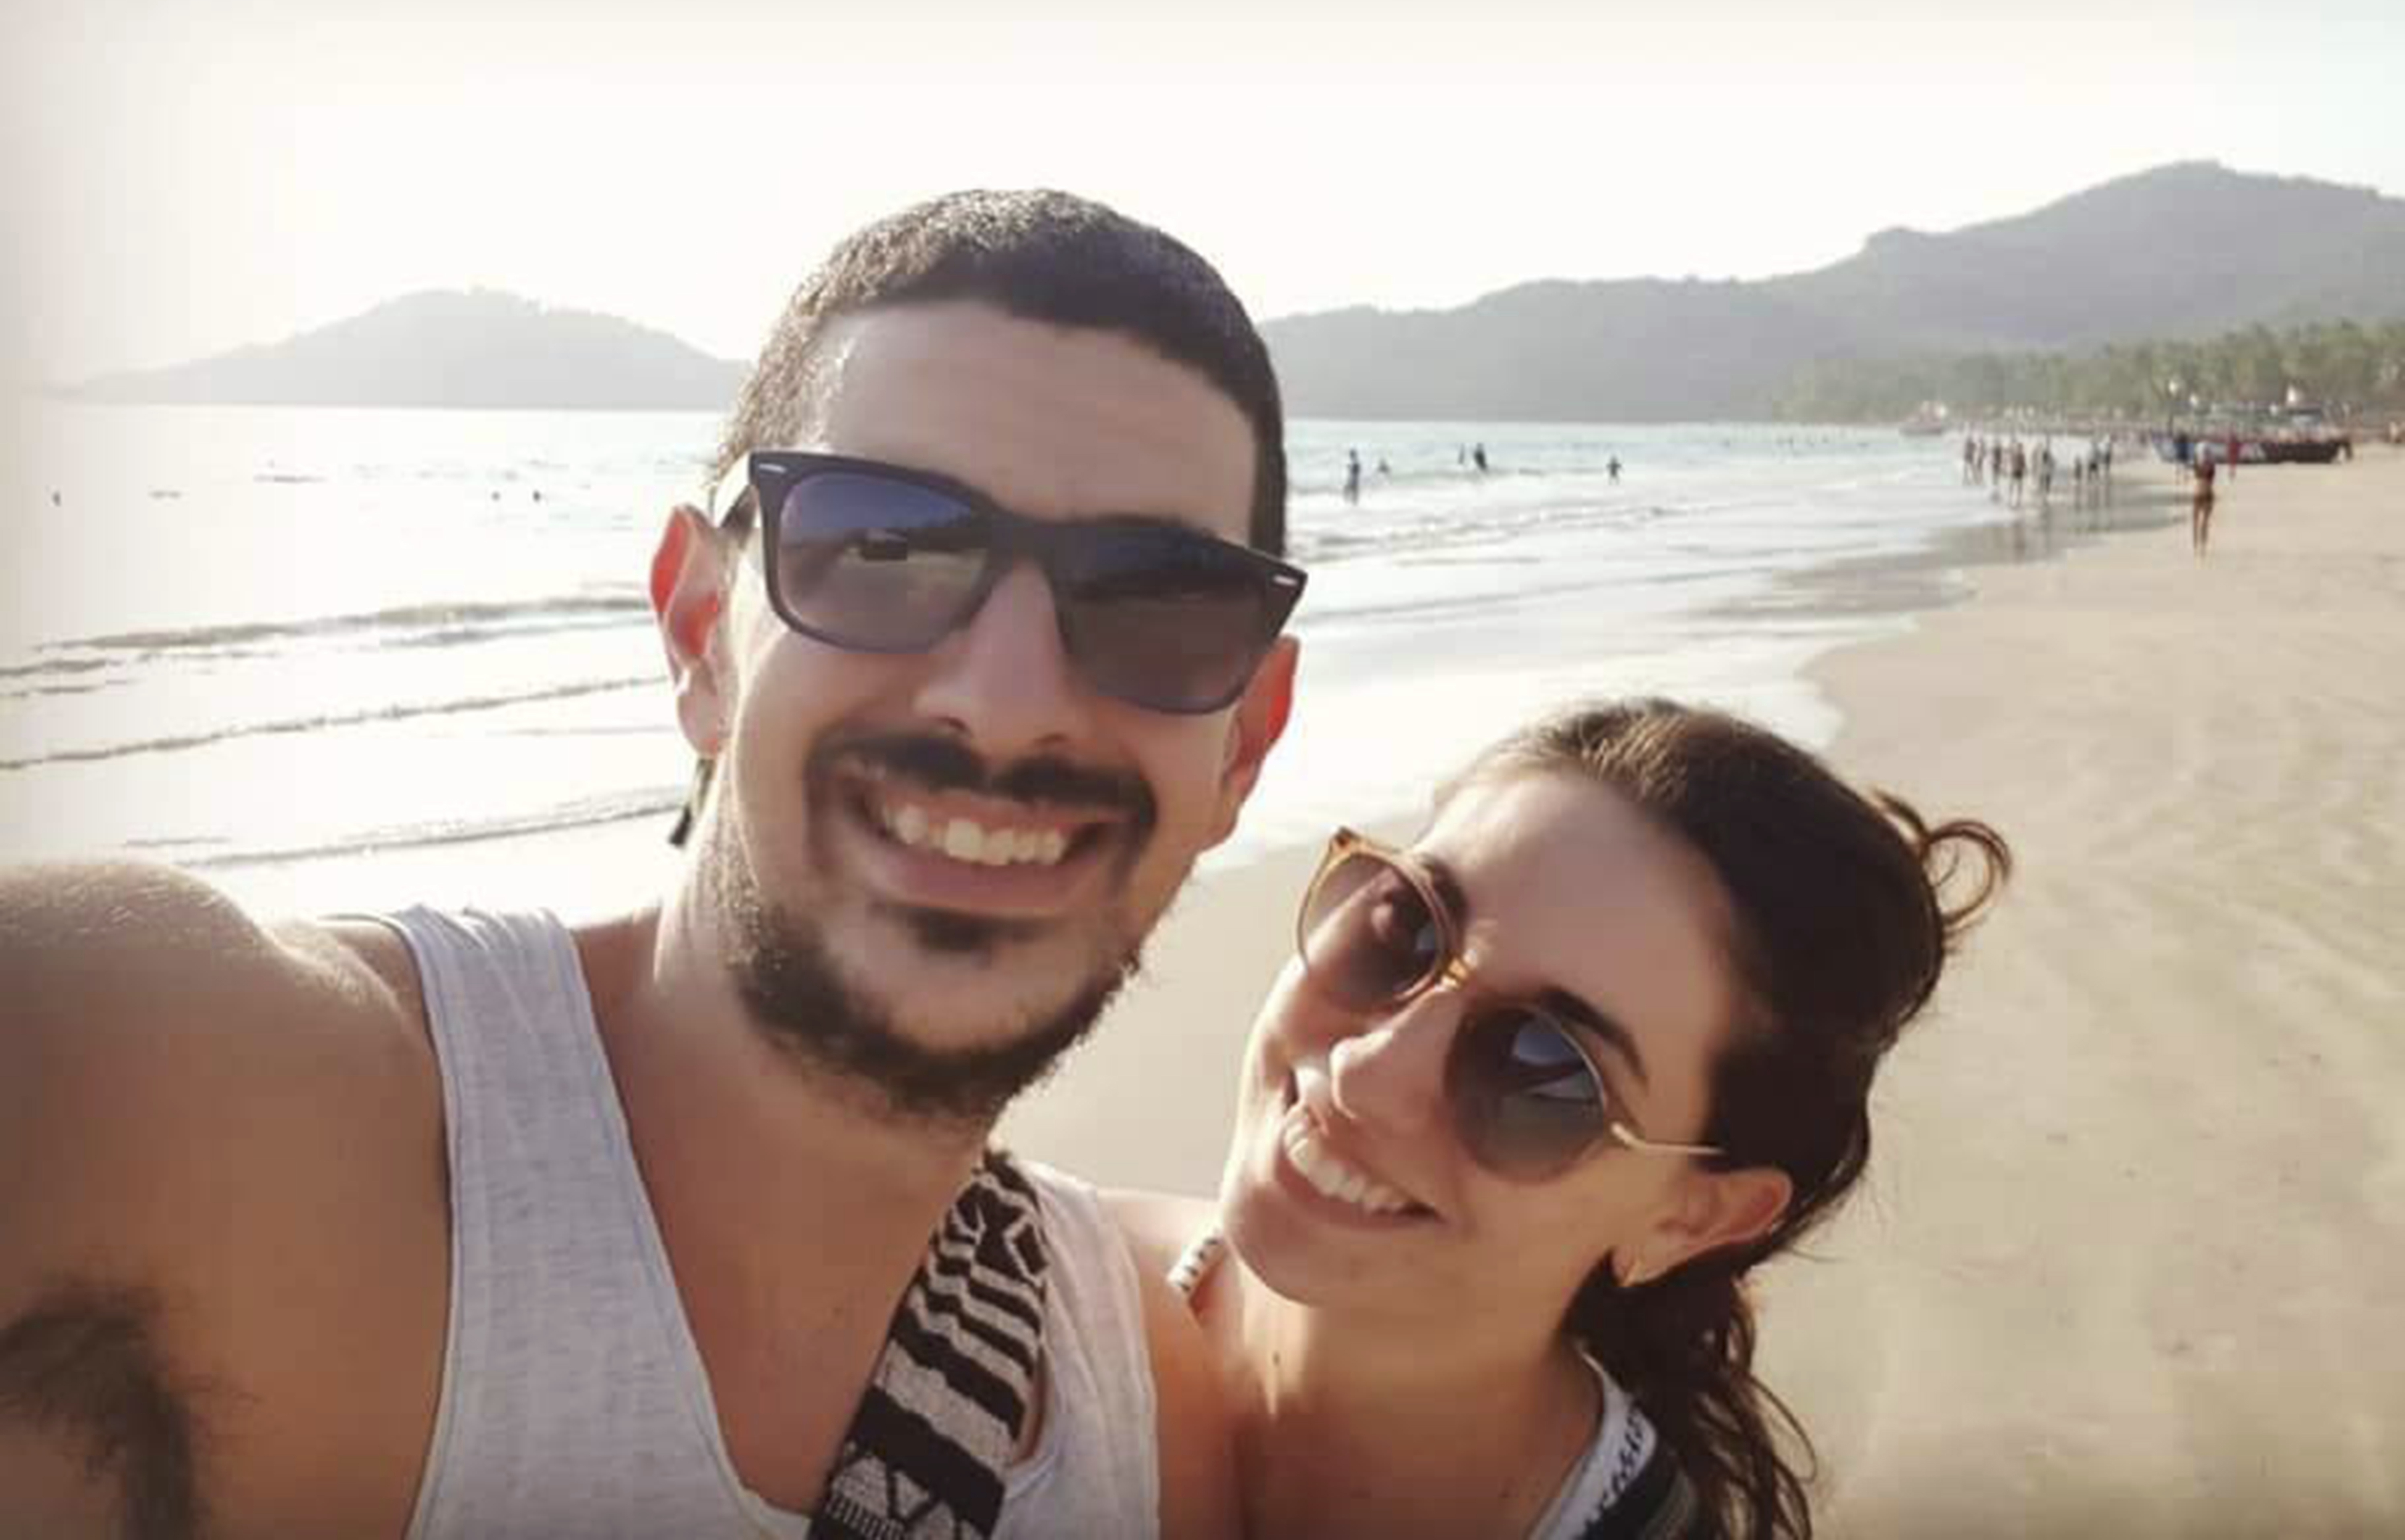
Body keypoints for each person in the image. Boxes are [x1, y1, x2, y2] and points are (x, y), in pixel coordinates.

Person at [0, 190, 1306, 1539]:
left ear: (1246, 749)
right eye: (886, 545)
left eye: (1158, 602)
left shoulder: (1145, 1417)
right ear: (699, 633)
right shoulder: (212, 1113)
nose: (1010, 699)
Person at [1115, 697, 2009, 1539]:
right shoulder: (1024, 1273)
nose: (1368, 1071)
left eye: (1539, 1070)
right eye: (1403, 929)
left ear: (1689, 1214)